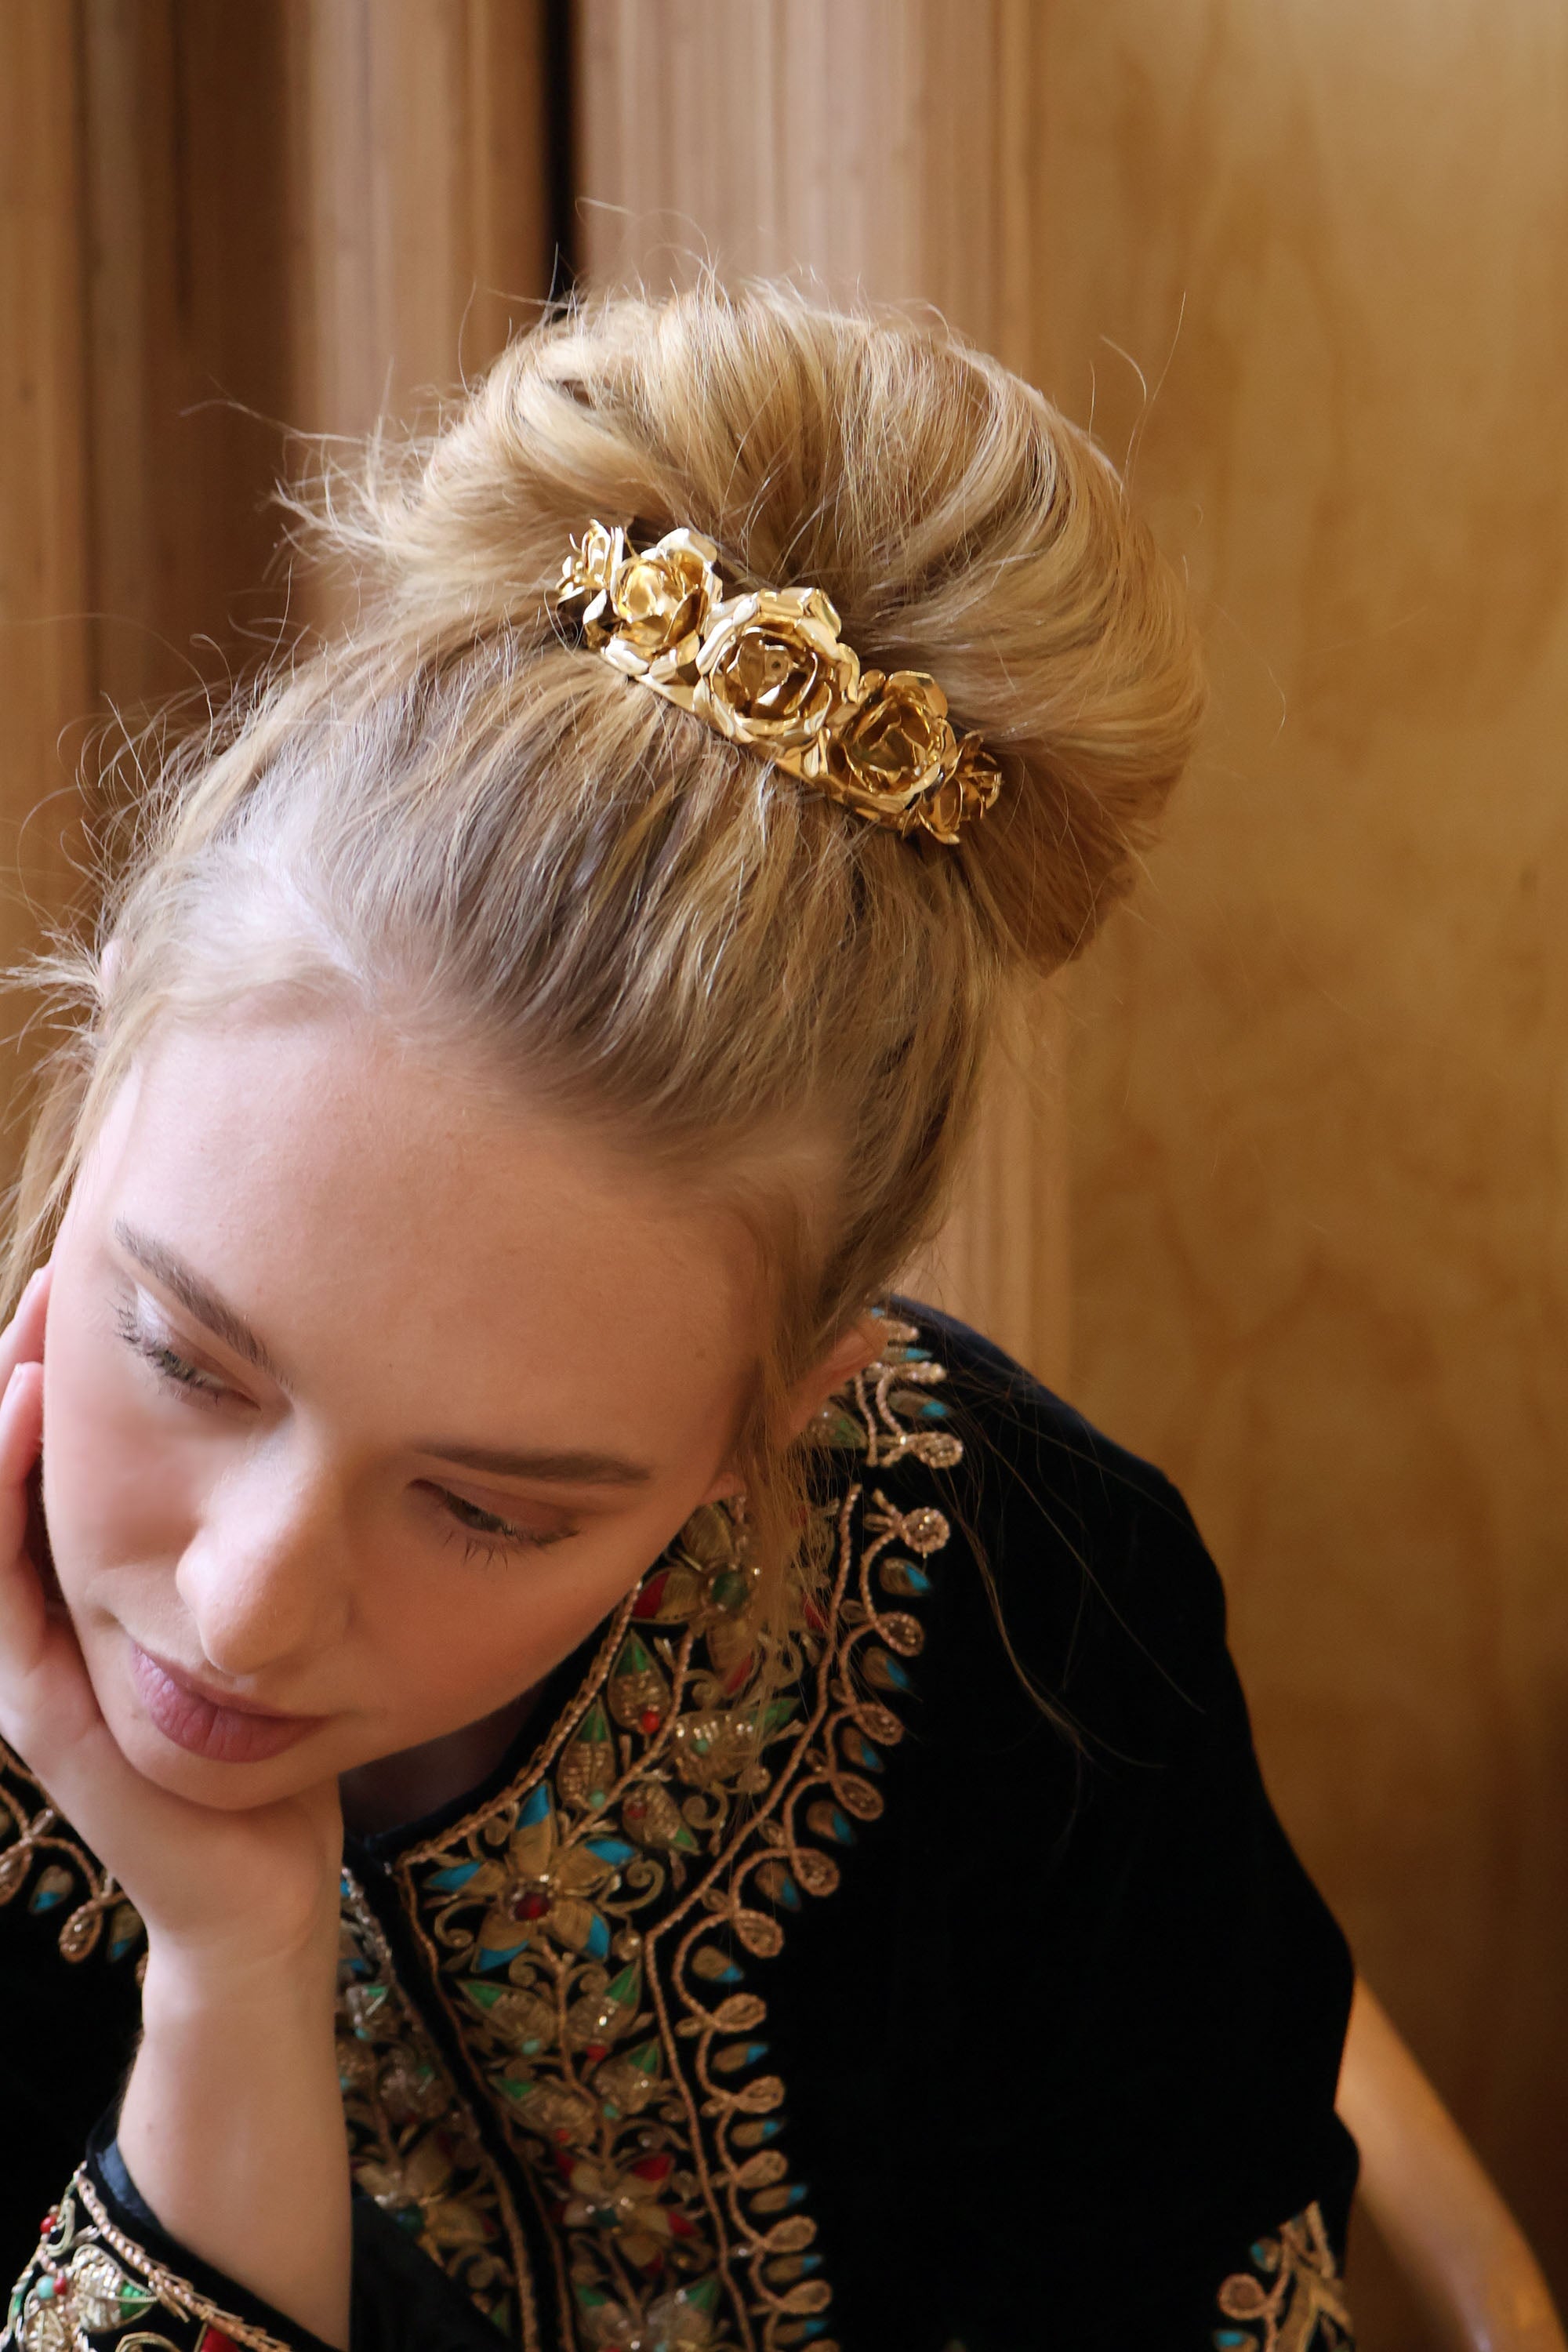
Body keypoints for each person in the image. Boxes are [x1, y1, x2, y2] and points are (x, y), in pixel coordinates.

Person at [0, 281, 1357, 2352]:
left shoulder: (1029, 1629)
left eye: (491, 1508)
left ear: (777, 1417)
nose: (245, 1603)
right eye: (181, 1358)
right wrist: (227, 1981)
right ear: (94, 1100)